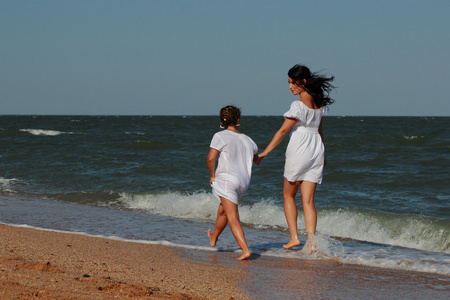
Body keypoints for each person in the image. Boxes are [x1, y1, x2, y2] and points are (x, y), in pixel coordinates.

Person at [258, 64, 335, 253]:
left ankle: (294, 238)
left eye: (292, 83)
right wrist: (323, 154)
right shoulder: (319, 105)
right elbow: (319, 131)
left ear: (303, 82)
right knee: (308, 201)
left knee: (288, 195)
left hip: (300, 150)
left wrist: (264, 152)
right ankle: (312, 243)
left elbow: (283, 130)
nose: (290, 87)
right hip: (316, 150)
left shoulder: (298, 106)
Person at [207, 105, 260, 260]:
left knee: (232, 217)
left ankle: (245, 250)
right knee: (223, 210)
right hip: (242, 184)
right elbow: (256, 160)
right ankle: (213, 238)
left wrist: (212, 175)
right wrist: (261, 156)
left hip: (227, 181)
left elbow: (211, 158)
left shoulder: (220, 136)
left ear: (222, 121)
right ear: (238, 120)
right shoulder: (248, 140)